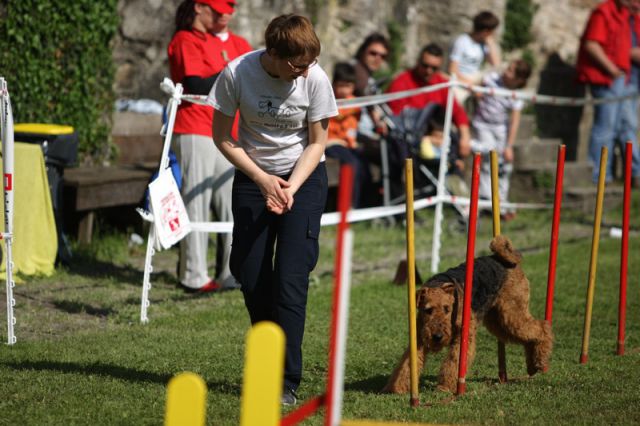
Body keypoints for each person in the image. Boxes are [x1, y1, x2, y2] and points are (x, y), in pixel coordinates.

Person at [208, 14, 338, 405]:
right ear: (274, 54)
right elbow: (221, 136)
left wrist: (288, 187)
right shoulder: (236, 74)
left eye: (308, 64)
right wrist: (263, 180)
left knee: (290, 279)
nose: (302, 72)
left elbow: (318, 143)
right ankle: (269, 351)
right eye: (295, 65)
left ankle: (285, 379)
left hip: (304, 176)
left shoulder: (314, 77)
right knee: (249, 272)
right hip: (253, 176)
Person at [167, 0, 251, 293]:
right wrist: (234, 73)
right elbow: (194, 84)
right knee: (196, 203)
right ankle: (194, 275)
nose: (225, 15)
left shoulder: (230, 42)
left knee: (231, 205)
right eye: (217, 10)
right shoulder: (185, 39)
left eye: (228, 9)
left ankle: (231, 272)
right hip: (194, 128)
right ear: (199, 7)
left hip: (228, 132)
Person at [576, 0, 639, 184]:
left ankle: (605, 175)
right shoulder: (603, 12)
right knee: (605, 129)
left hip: (619, 78)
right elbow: (592, 44)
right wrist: (612, 69)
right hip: (606, 78)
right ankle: (598, 175)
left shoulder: (623, 14)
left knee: (615, 129)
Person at [470, 59, 531, 221]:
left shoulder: (516, 95)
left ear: (519, 80)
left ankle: (501, 202)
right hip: (483, 125)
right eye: (508, 68)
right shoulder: (492, 79)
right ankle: (485, 201)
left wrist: (509, 146)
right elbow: (475, 88)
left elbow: (515, 120)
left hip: (500, 130)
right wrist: (477, 93)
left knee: (505, 165)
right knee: (487, 161)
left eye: (511, 71)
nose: (506, 72)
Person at [326, 62, 371, 208]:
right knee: (351, 163)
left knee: (365, 161)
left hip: (349, 143)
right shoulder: (328, 100)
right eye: (341, 85)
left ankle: (365, 203)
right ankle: (348, 207)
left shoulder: (355, 104)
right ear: (333, 84)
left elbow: (354, 125)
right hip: (331, 143)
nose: (344, 90)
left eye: (348, 86)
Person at [448, 10, 501, 103]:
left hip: (476, 79)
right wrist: (470, 85)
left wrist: (490, 42)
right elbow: (452, 70)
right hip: (461, 79)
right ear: (486, 31)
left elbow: (496, 65)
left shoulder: (483, 44)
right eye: (491, 32)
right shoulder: (462, 41)